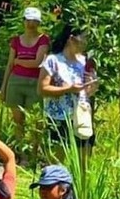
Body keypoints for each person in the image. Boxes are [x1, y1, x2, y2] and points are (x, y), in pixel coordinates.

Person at [39, 24, 99, 165]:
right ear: (72, 39)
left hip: (81, 116)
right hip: (58, 117)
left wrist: (93, 86)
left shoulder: (85, 61)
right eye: (84, 38)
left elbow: (89, 92)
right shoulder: (53, 60)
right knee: (56, 162)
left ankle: (80, 187)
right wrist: (68, 89)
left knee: (83, 161)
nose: (86, 42)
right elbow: (41, 89)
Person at [0, 7, 51, 162]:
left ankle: (35, 155)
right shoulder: (16, 40)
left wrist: (19, 61)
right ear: (24, 21)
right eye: (28, 20)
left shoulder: (44, 39)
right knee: (18, 121)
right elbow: (10, 64)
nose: (31, 24)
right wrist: (3, 87)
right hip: (15, 82)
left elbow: (37, 63)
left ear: (39, 22)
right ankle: (21, 156)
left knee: (36, 122)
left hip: (35, 83)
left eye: (34, 21)